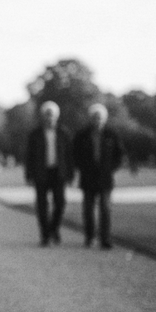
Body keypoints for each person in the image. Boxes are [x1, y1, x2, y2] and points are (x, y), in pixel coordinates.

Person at [73, 103, 125, 249]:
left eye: (100, 118)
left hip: (105, 178)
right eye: (95, 117)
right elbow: (75, 154)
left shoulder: (111, 134)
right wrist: (82, 168)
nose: (97, 120)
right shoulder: (82, 135)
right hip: (88, 178)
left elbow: (119, 154)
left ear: (104, 118)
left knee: (105, 209)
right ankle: (89, 236)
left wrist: (111, 168)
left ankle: (105, 238)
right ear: (91, 118)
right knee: (88, 210)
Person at [25, 101, 74, 246]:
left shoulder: (64, 133)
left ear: (56, 116)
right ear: (42, 116)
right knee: (42, 206)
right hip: (41, 172)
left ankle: (53, 228)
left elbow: (69, 156)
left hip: (59, 173)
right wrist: (29, 175)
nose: (49, 118)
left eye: (51, 115)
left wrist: (70, 174)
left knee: (60, 203)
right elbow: (29, 156)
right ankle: (45, 235)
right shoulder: (35, 134)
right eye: (46, 115)